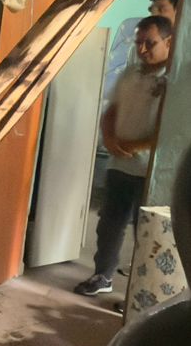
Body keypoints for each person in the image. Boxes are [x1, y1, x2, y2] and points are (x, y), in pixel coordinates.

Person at [74, 15, 173, 297]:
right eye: (138, 42)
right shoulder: (130, 72)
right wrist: (109, 138)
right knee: (109, 225)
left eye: (150, 43)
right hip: (119, 164)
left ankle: (140, 295)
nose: (142, 49)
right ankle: (102, 276)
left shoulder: (174, 80)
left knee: (147, 232)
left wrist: (136, 145)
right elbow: (112, 110)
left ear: (169, 42)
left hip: (150, 171)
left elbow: (172, 128)